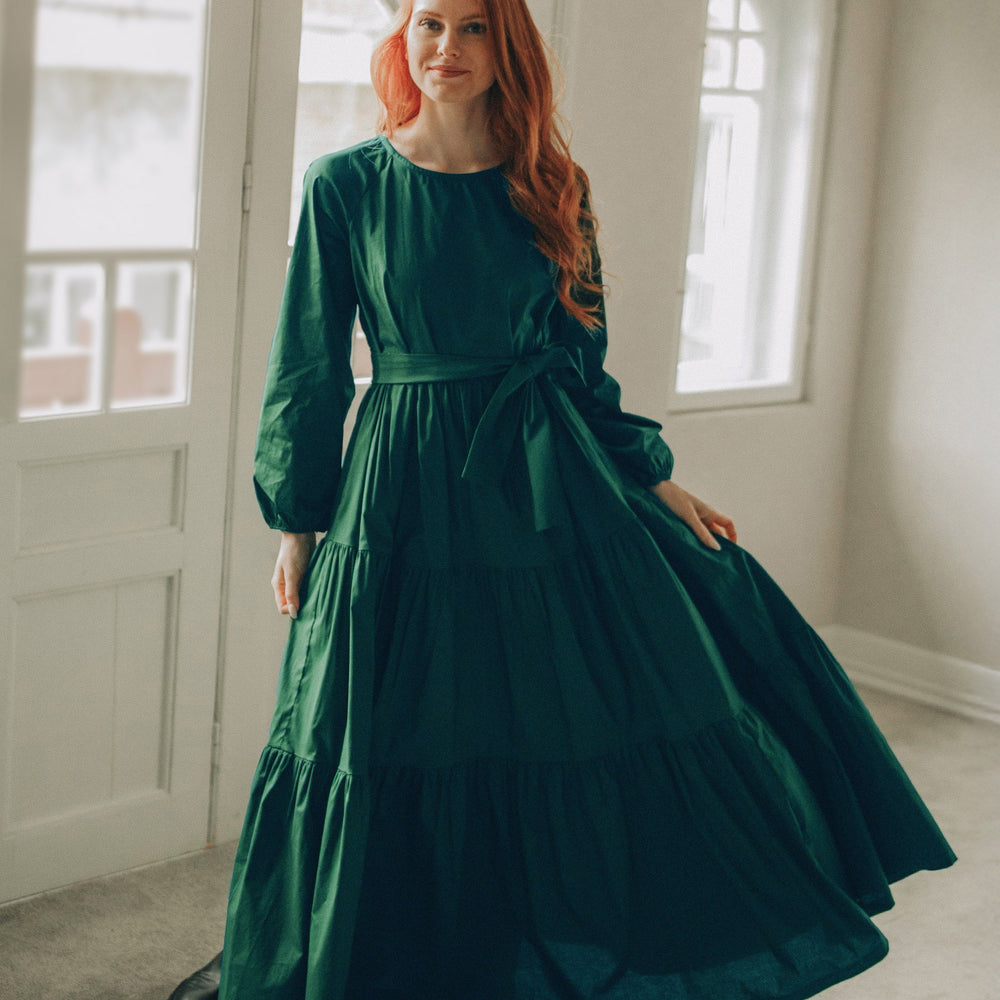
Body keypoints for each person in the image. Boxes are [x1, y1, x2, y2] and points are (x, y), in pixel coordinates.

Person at [169, 1, 955, 998]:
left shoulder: (552, 185)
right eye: (428, 25)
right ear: (403, 41)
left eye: (472, 28)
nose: (444, 48)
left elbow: (582, 366)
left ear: (510, 51)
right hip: (399, 485)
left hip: (542, 481)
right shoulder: (345, 186)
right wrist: (296, 521)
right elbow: (307, 368)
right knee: (384, 724)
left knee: (581, 708)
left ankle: (548, 937)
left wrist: (661, 483)